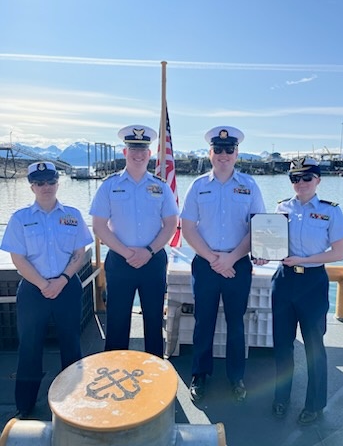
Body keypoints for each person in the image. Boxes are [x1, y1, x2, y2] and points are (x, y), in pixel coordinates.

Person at [0, 161, 93, 419]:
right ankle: (25, 405)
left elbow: (79, 251)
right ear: (31, 187)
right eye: (40, 183)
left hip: (67, 286)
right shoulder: (20, 219)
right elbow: (18, 258)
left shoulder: (73, 215)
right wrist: (44, 285)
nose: (46, 187)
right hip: (33, 289)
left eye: (50, 181)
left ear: (57, 183)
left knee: (71, 344)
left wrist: (62, 280)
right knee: (29, 346)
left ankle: (73, 400)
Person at [180, 126, 266, 401]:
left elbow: (258, 228)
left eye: (229, 150)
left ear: (237, 154)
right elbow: (188, 228)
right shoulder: (197, 186)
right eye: (218, 150)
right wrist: (214, 259)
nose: (224, 155)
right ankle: (199, 375)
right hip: (206, 264)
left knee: (235, 322)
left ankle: (236, 377)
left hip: (237, 263)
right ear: (210, 154)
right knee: (203, 321)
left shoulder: (249, 186)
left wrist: (230, 258)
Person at [271, 157, 343, 425]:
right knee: (282, 345)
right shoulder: (281, 208)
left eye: (307, 178)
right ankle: (281, 399)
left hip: (312, 283)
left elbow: (338, 253)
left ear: (318, 180)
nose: (301, 183)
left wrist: (302, 260)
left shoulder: (331, 211)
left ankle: (315, 405)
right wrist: (263, 255)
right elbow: (271, 242)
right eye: (295, 178)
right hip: (283, 282)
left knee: (314, 346)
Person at [90, 125, 178, 358]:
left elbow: (170, 223)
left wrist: (148, 251)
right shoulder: (109, 185)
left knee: (153, 319)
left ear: (150, 154)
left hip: (153, 259)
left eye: (143, 150)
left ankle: (156, 373)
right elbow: (99, 225)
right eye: (133, 150)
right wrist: (127, 253)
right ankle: (115, 369)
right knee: (117, 321)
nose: (138, 155)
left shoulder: (160, 186)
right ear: (124, 152)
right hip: (120, 260)